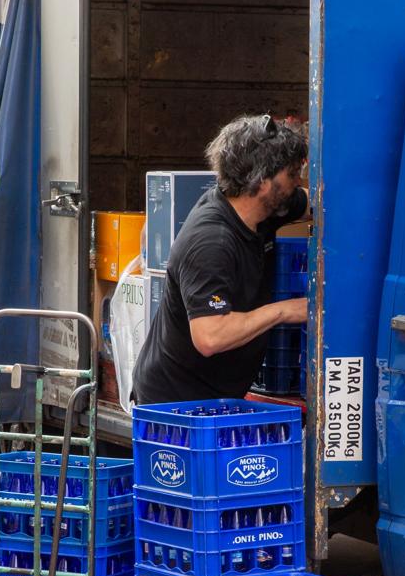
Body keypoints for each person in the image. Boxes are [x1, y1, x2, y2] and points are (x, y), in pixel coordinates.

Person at [132, 114, 310, 405]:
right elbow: (210, 336)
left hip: (218, 396)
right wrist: (285, 311)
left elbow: (316, 203)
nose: (298, 181)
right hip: (175, 405)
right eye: (292, 174)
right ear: (263, 181)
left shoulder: (263, 210)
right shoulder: (212, 241)